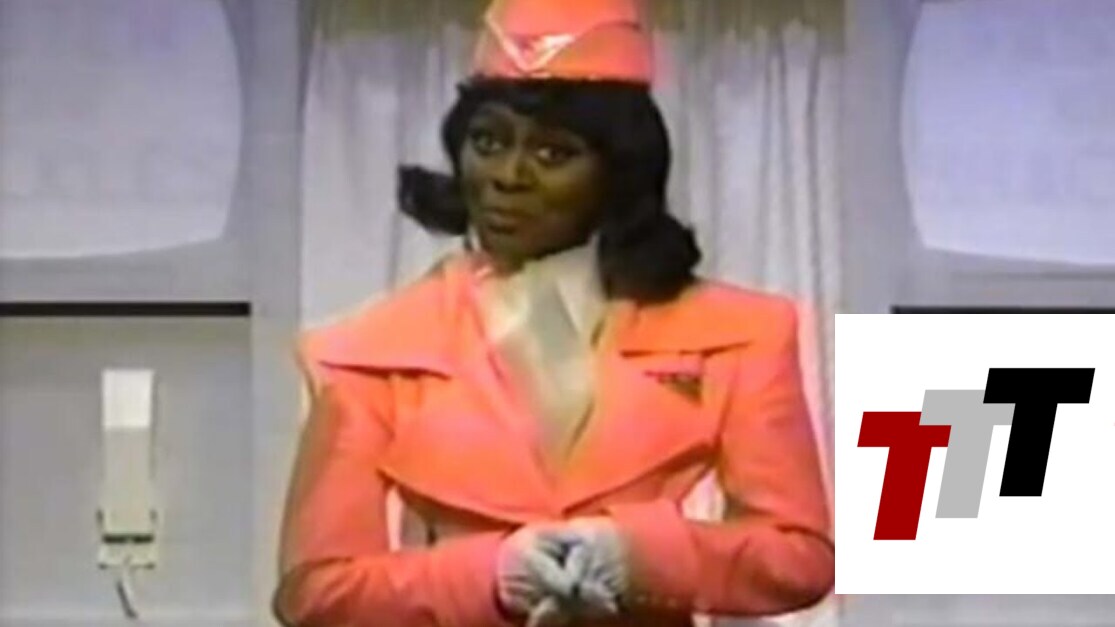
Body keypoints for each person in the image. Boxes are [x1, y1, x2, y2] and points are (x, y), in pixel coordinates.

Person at [272, 0, 835, 625]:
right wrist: (488, 575)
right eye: (488, 142)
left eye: (553, 153)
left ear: (620, 173)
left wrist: (643, 557)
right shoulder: (368, 352)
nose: (507, 176)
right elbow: (316, 592)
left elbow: (799, 557)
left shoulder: (742, 334)